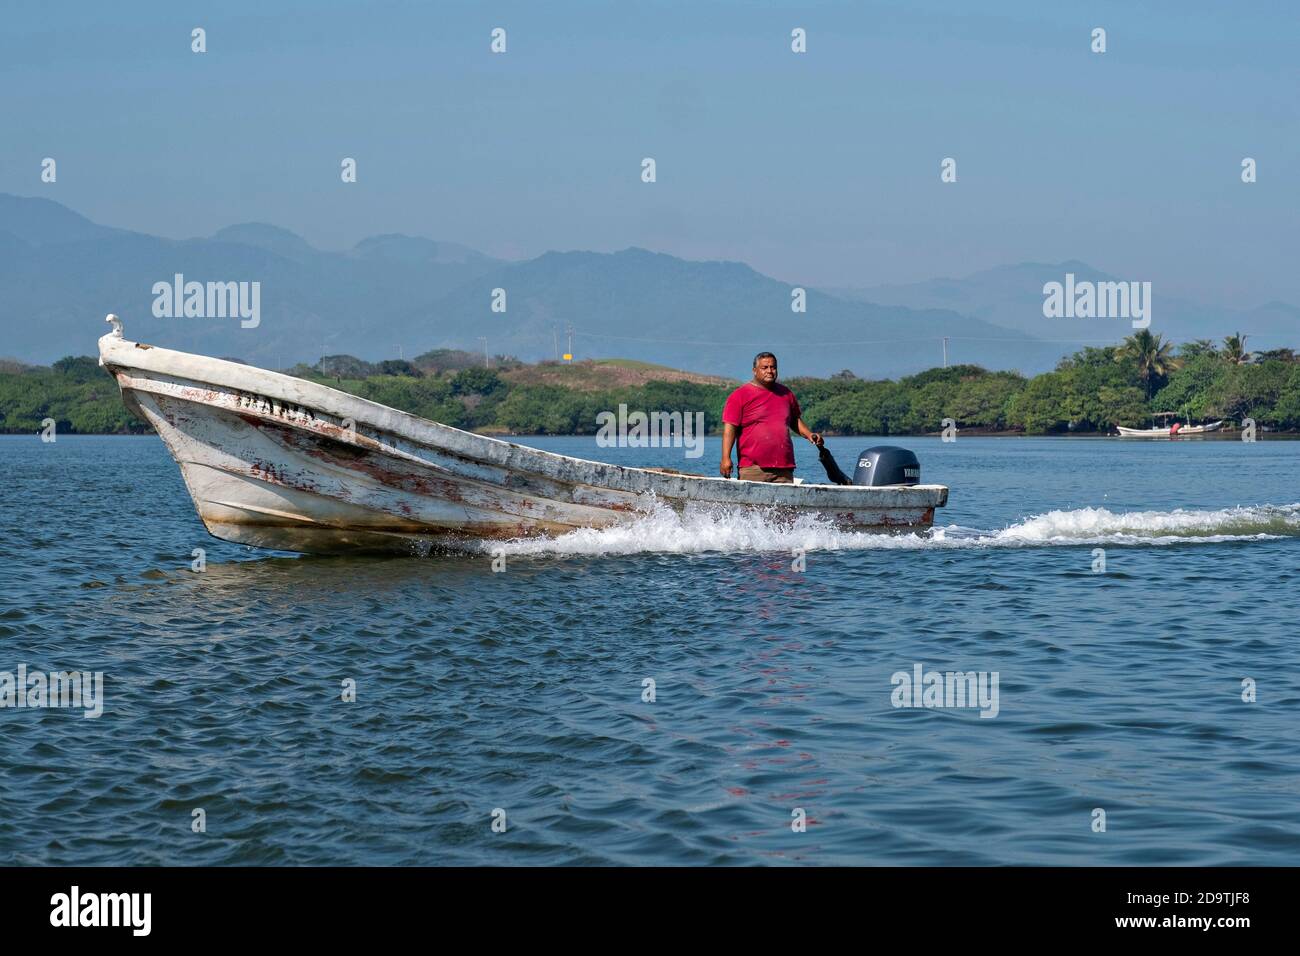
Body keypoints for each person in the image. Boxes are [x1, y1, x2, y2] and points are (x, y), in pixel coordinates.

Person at [720, 352, 822, 482]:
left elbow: (794, 420)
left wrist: (810, 435)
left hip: (784, 467)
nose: (769, 371)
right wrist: (725, 458)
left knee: (786, 503)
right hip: (753, 469)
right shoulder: (739, 396)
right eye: (764, 368)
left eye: (773, 367)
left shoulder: (786, 394)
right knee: (752, 503)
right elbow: (729, 430)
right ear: (754, 371)